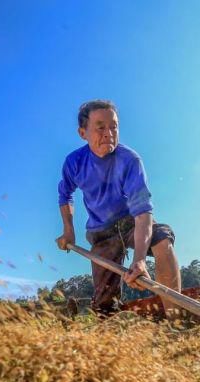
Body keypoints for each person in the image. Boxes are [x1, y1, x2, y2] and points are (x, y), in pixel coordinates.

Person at [55, 100, 182, 318]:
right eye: (100, 127)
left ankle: (176, 322)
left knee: (162, 240)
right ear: (82, 132)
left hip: (130, 222)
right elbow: (65, 194)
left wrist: (140, 260)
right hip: (100, 233)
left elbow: (143, 213)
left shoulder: (129, 160)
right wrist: (69, 230)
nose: (109, 133)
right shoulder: (74, 162)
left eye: (114, 127)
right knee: (104, 304)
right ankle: (108, 328)